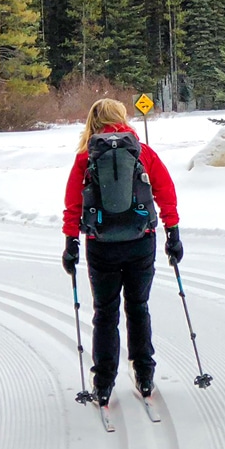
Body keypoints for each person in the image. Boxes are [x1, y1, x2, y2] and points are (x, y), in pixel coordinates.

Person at [61, 98, 183, 404]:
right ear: (122, 118)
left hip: (101, 245)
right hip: (141, 240)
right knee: (138, 307)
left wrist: (71, 241)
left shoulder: (86, 157)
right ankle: (144, 375)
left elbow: (73, 203)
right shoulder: (142, 152)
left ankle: (103, 382)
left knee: (105, 313)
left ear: (93, 120)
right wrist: (173, 233)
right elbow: (165, 192)